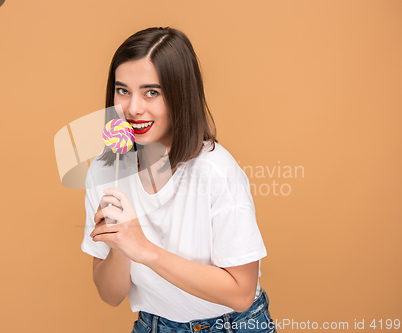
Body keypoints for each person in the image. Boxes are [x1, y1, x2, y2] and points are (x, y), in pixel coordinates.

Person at [81, 26, 277, 333]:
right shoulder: (104, 173)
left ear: (180, 96)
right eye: (123, 90)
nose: (133, 108)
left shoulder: (216, 171)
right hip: (152, 325)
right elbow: (110, 295)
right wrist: (121, 245)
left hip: (230, 325)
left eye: (152, 92)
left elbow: (240, 293)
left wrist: (145, 250)